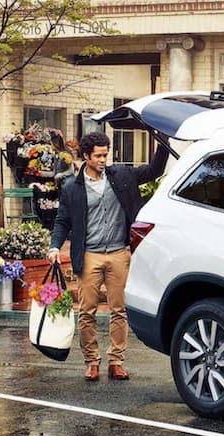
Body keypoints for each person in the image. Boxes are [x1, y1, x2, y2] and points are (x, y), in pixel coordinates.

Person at [48, 132, 169, 381]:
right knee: (87, 311)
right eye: (98, 156)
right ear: (86, 157)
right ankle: (92, 361)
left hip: (118, 253)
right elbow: (62, 220)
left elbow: (154, 171)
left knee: (119, 310)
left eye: (106, 154)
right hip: (89, 254)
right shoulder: (72, 186)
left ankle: (116, 360)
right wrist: (54, 247)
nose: (104, 159)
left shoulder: (122, 175)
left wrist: (163, 143)